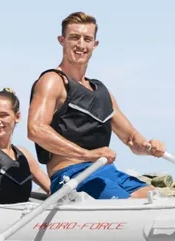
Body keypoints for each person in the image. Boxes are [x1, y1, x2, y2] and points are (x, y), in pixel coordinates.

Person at [27, 11, 166, 199]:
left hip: (107, 172)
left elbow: (132, 140)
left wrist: (149, 146)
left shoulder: (101, 91)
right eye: (74, 37)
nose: (81, 45)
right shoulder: (53, 81)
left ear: (95, 44)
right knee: (129, 205)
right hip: (72, 175)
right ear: (61, 40)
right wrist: (87, 154)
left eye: (87, 39)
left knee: (154, 197)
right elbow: (35, 129)